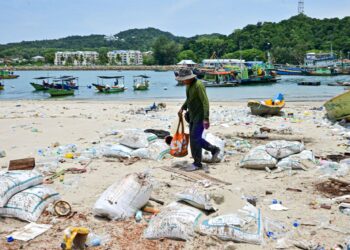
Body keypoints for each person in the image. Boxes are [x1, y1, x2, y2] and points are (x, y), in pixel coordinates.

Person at [176, 68, 220, 171]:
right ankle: (213, 149)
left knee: (195, 139)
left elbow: (205, 102)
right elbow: (189, 98)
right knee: (194, 138)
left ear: (190, 78)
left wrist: (206, 118)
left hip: (200, 116)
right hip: (192, 115)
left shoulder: (199, 85)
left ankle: (197, 163)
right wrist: (183, 107)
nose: (182, 81)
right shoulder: (188, 85)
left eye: (184, 79)